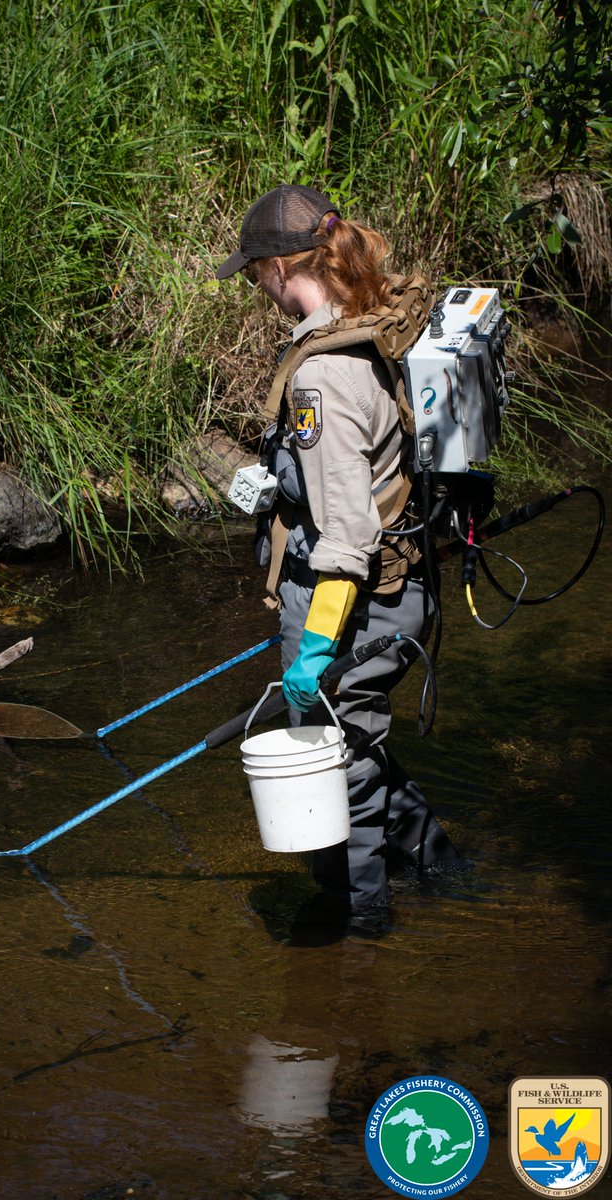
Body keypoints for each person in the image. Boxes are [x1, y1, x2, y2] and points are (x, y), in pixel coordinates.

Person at [215, 183, 461, 939]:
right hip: (403, 588)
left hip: (352, 603)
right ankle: (443, 866)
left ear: (283, 267)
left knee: (334, 770)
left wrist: (317, 646)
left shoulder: (320, 373)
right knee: (356, 743)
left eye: (255, 271)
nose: (256, 288)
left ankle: (359, 929)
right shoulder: (372, 318)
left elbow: (348, 536)